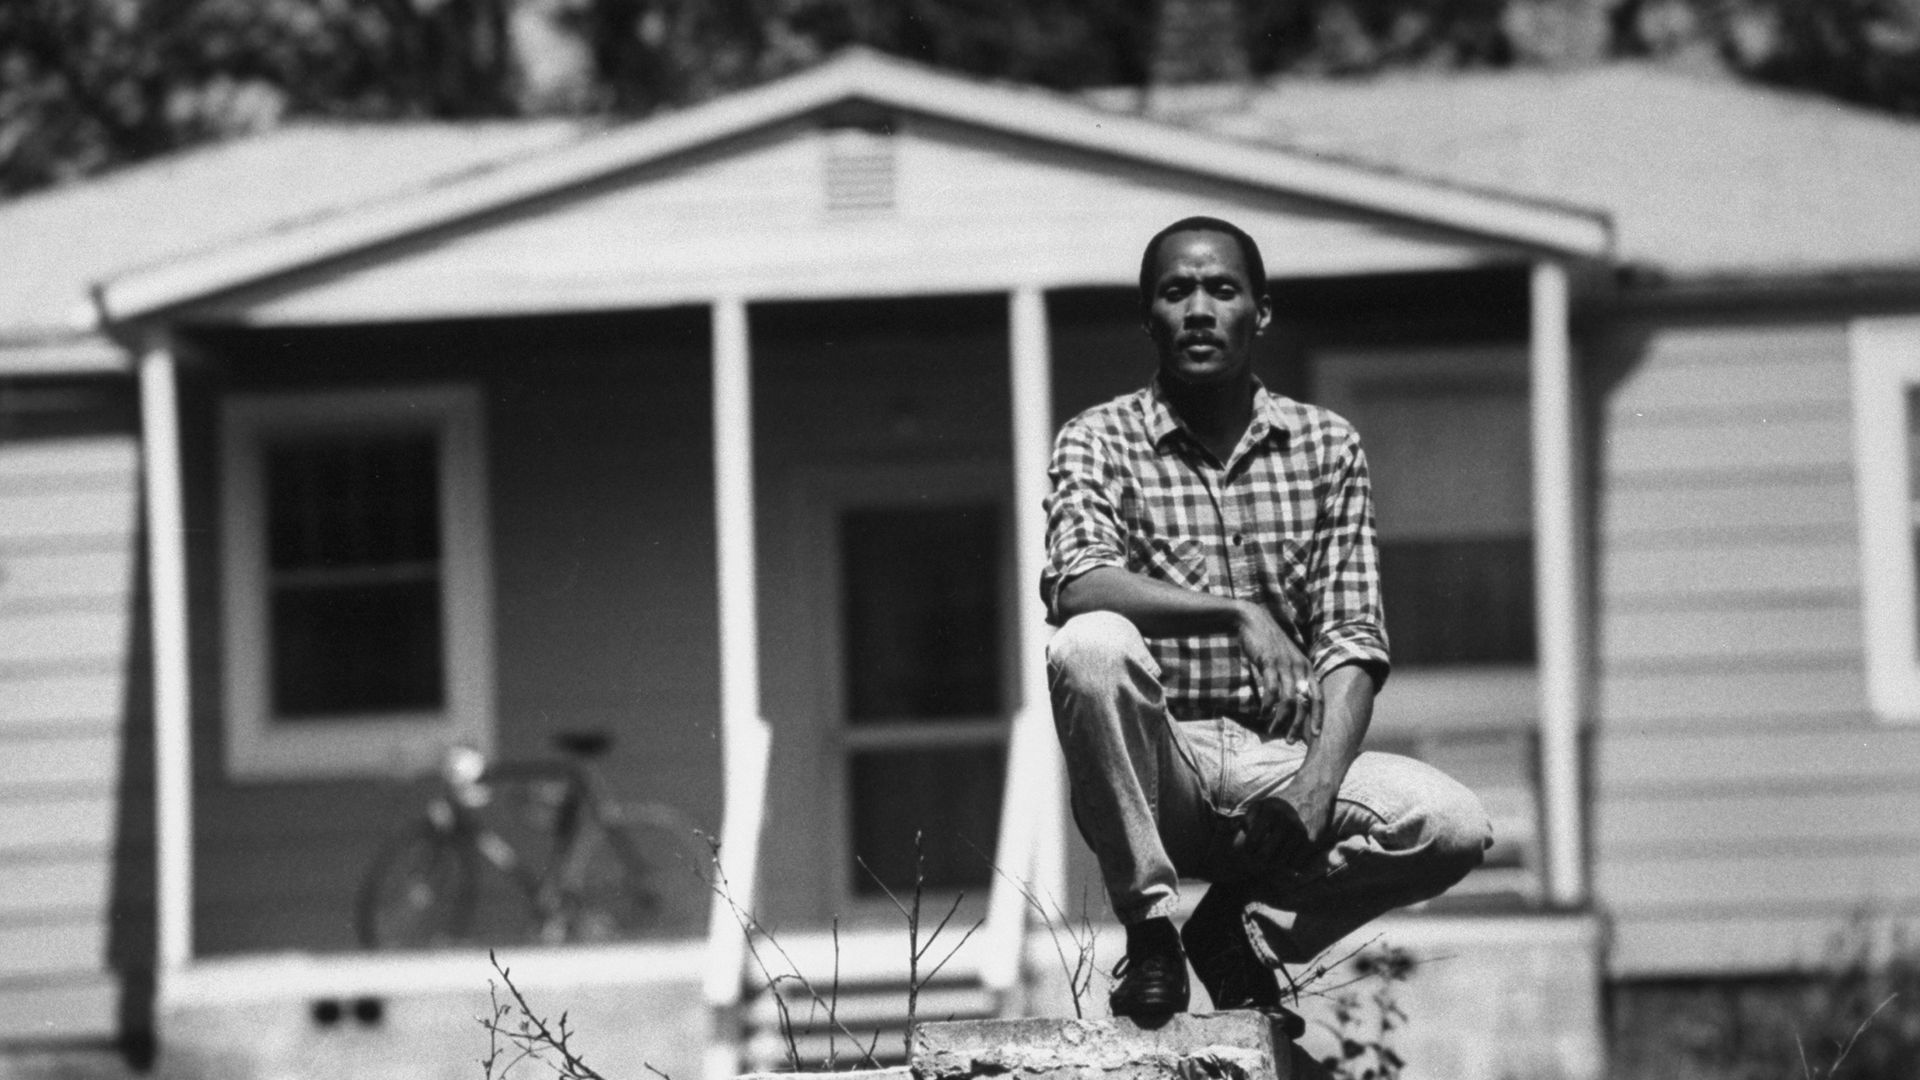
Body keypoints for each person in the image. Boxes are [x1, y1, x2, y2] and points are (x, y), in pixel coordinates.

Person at [1041, 216, 1493, 1018]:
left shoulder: (1326, 446)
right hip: (1161, 768)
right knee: (1090, 646)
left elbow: (1353, 639)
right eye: (1176, 292)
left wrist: (1316, 789)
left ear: (1261, 311)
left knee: (1451, 822)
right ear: (1149, 317)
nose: (1200, 310)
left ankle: (1239, 930)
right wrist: (1236, 614)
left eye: (1222, 289)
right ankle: (1153, 935)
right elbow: (1077, 585)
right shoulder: (1097, 439)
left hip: (1278, 768)